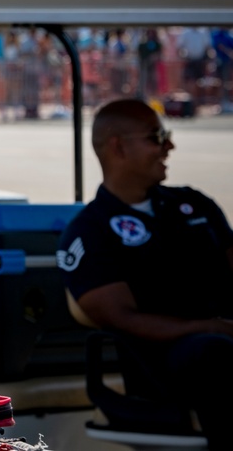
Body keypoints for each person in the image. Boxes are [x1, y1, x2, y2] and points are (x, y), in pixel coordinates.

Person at [56, 98, 233, 449]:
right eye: (157, 136)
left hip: (220, 340)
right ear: (118, 146)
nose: (169, 146)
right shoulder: (89, 230)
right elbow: (120, 318)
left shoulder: (195, 204)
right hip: (162, 363)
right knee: (217, 354)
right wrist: (211, 327)